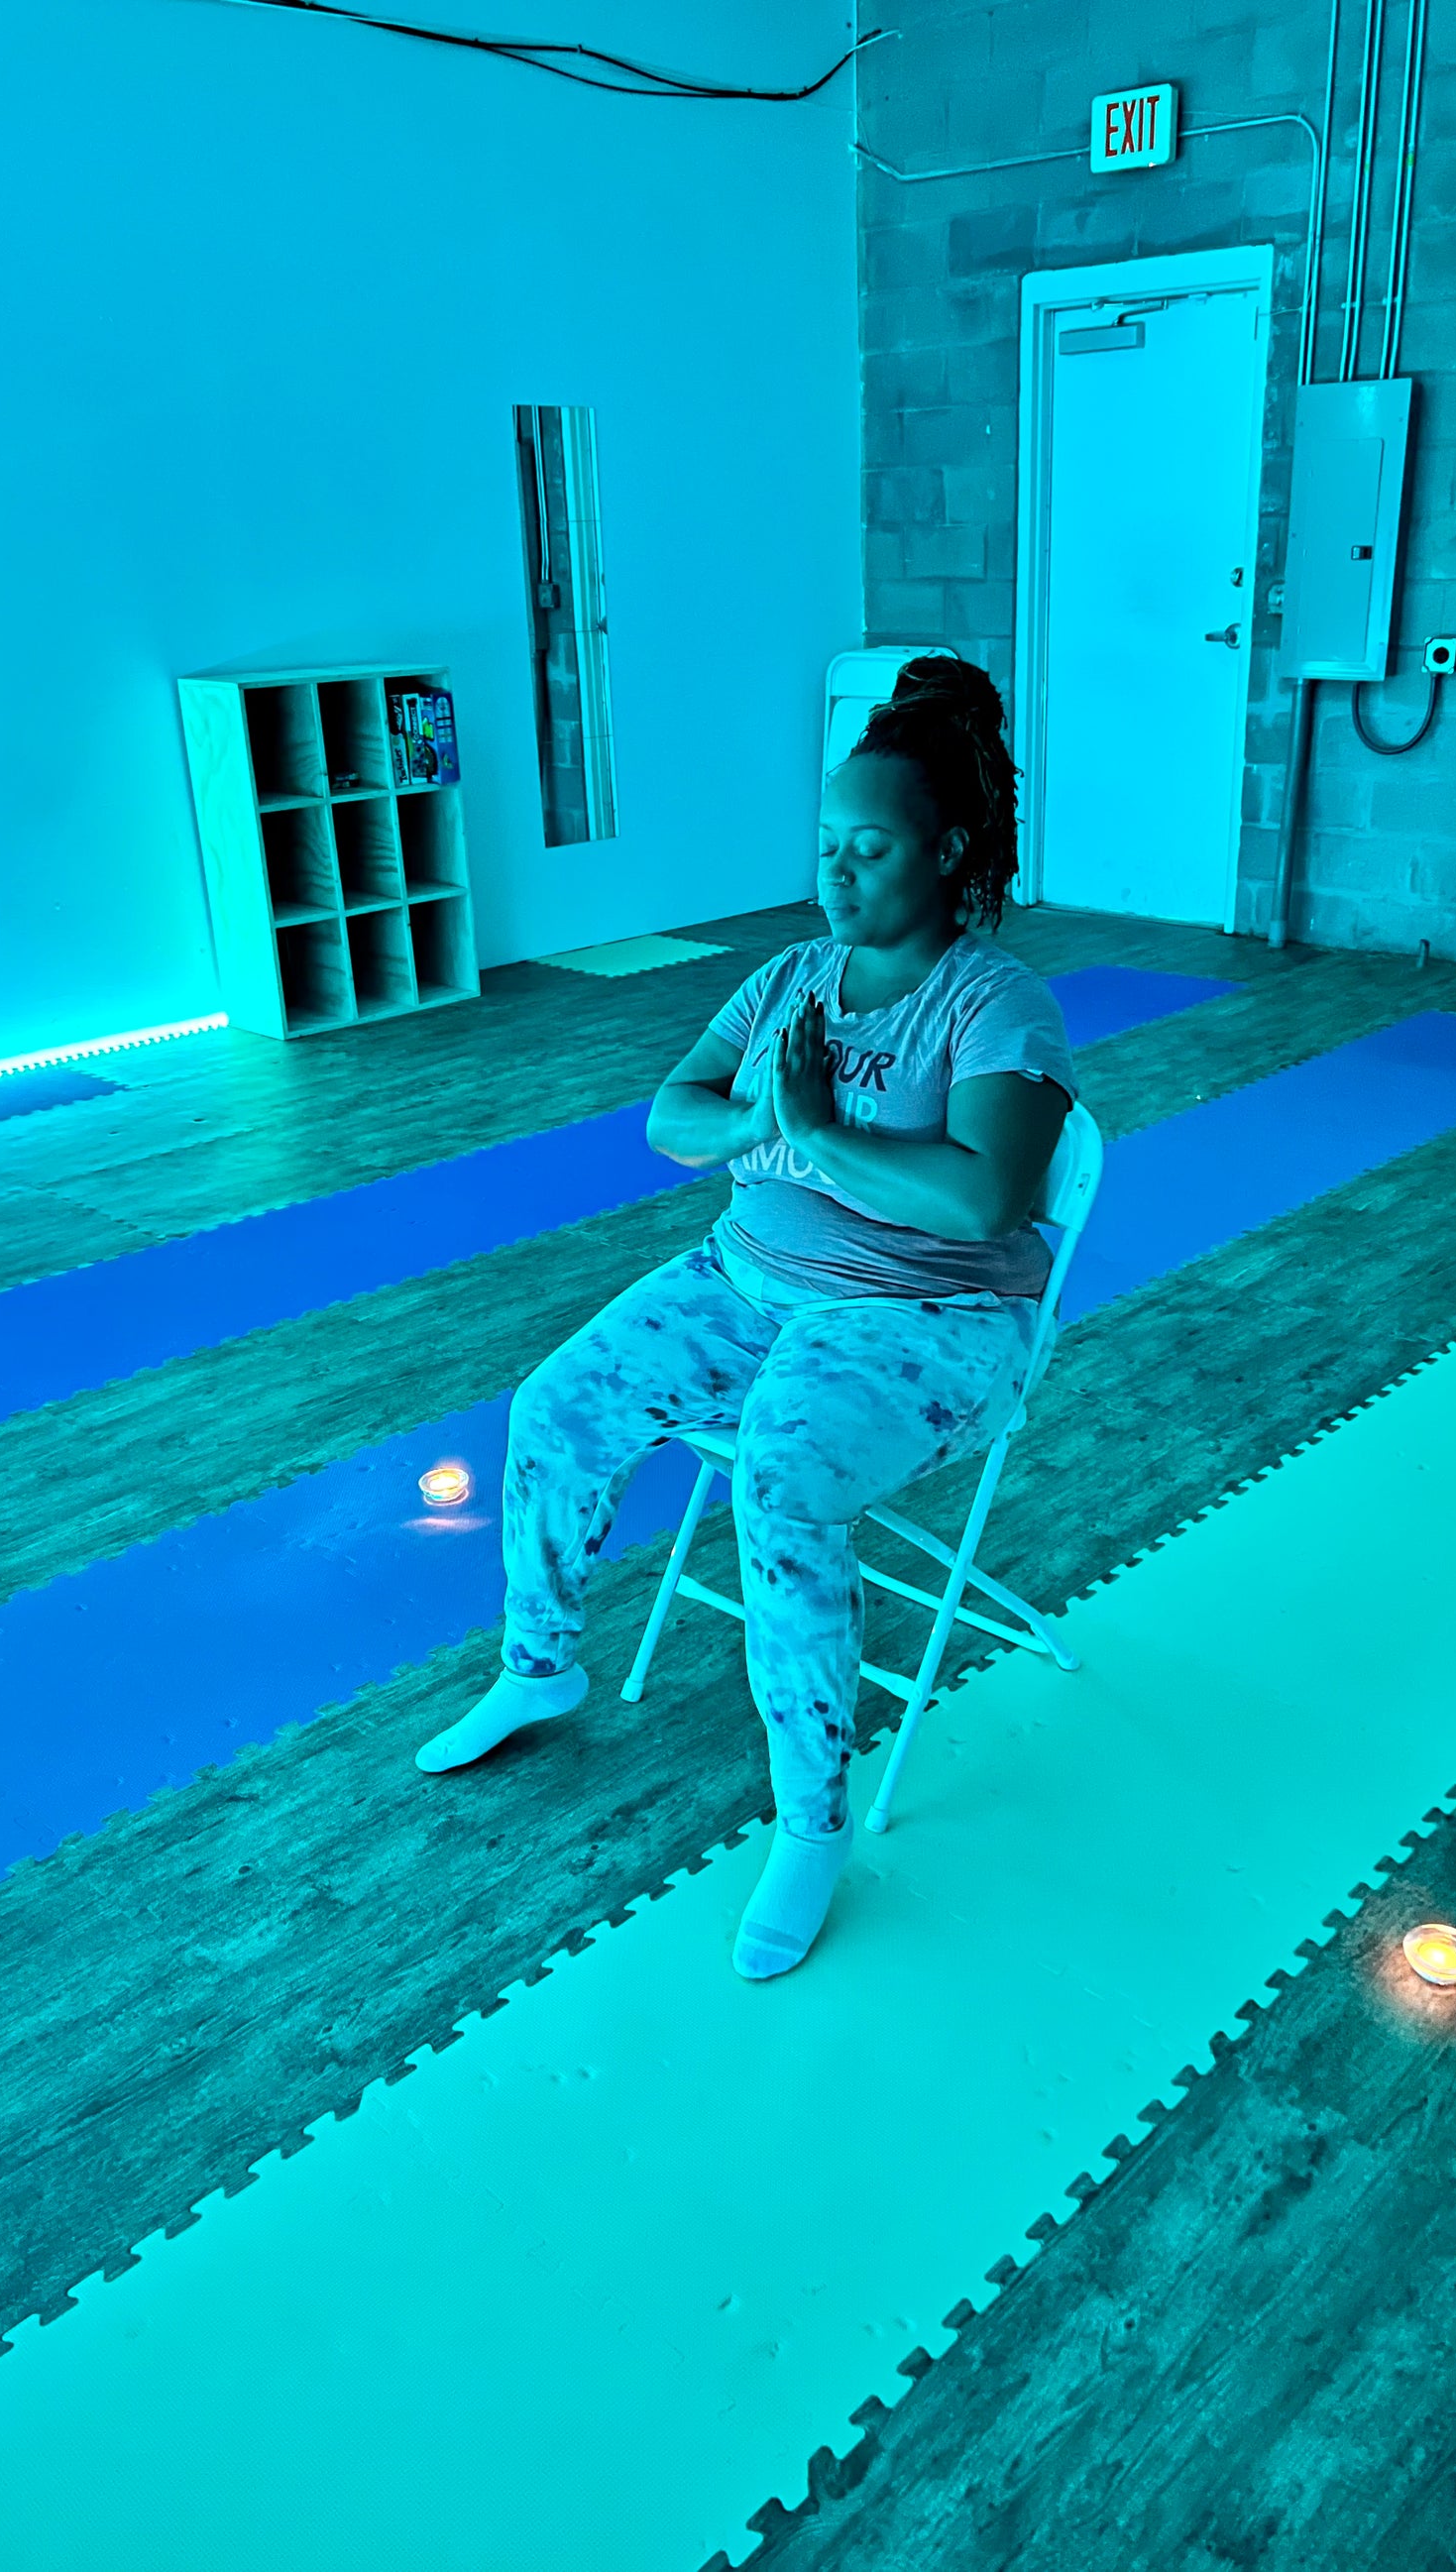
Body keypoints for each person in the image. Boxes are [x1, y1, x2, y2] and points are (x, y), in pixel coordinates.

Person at [414, 656, 1076, 1978]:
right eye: (827, 842)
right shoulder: (789, 978)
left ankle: (813, 1823)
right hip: (746, 1279)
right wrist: (756, 1121)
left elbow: (988, 1200)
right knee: (555, 1406)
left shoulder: (995, 1002)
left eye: (869, 847)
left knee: (776, 1484)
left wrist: (816, 1131)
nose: (837, 871)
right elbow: (672, 1118)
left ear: (946, 852)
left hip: (924, 1314)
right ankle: (541, 1664)